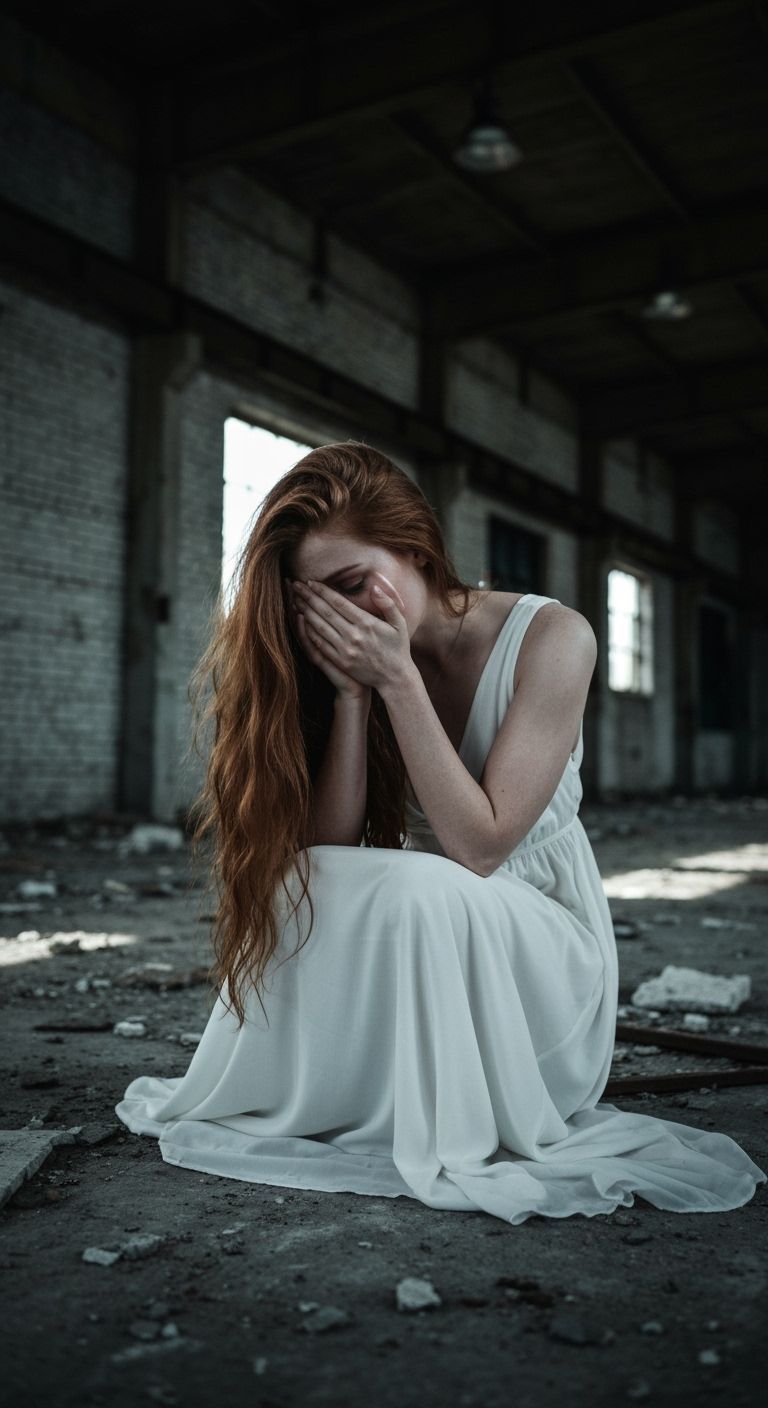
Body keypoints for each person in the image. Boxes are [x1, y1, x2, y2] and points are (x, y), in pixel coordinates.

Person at [115, 441, 766, 1224]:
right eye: (318, 602)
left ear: (416, 550)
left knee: (422, 878)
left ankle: (443, 1102)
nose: (345, 617)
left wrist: (397, 680)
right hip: (435, 944)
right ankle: (312, 1094)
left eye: (355, 585)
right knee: (299, 876)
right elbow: (326, 853)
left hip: (542, 966)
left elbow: (481, 848)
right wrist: (355, 699)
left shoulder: (556, 638)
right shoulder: (359, 663)